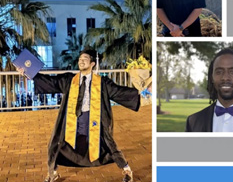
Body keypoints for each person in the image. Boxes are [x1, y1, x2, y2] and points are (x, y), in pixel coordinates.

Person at [18, 49, 143, 182]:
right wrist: (30, 74)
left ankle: (127, 170)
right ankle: (52, 173)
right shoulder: (69, 80)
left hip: (94, 119)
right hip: (72, 119)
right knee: (56, 142)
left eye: (85, 59)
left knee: (108, 143)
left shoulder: (102, 83)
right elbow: (51, 82)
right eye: (79, 59)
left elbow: (119, 91)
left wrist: (142, 92)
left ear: (93, 63)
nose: (81, 61)